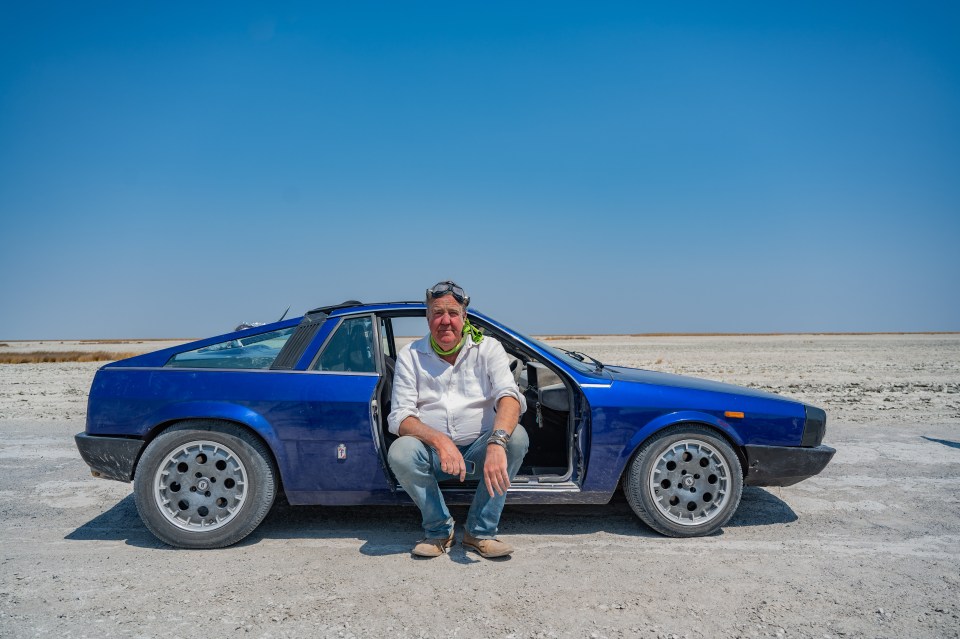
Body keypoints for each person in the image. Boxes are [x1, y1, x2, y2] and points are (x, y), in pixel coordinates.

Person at [387, 280, 529, 558]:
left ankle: (479, 532)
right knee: (401, 451)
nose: (445, 321)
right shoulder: (411, 356)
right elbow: (400, 417)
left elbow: (509, 397)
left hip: (481, 452)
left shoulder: (488, 348)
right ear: (428, 319)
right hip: (434, 457)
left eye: (452, 313)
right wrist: (440, 441)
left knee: (517, 438)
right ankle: (439, 531)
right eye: (437, 313)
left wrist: (497, 443)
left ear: (464, 317)